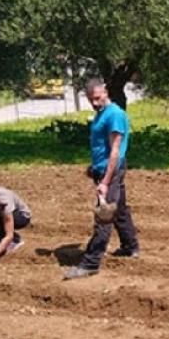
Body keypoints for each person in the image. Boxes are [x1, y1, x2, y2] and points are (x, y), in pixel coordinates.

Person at [64, 78, 139, 279]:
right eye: (91, 100)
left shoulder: (114, 115)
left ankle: (90, 263)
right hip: (104, 169)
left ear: (105, 92)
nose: (95, 103)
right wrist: (94, 167)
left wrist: (105, 181)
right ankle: (130, 246)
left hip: (111, 171)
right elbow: (102, 147)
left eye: (97, 98)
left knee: (104, 215)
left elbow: (115, 151)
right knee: (119, 209)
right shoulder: (101, 114)